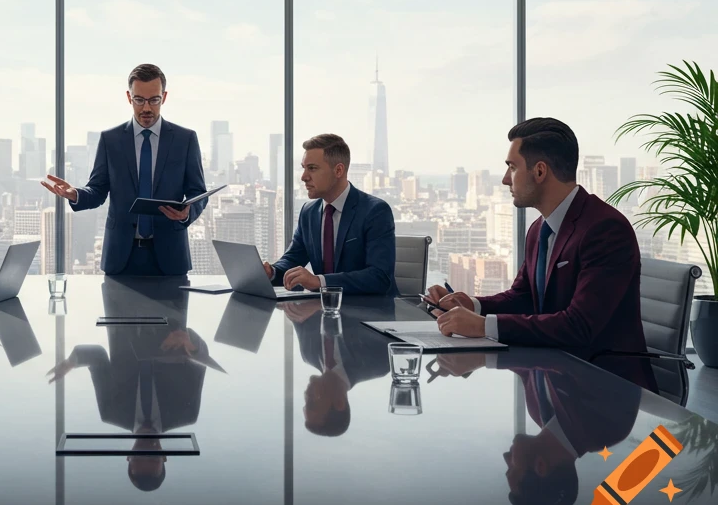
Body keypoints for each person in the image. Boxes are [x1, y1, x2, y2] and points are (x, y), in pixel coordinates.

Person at [428, 118, 655, 391]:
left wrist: (483, 327)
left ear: (539, 171)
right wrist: (473, 305)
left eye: (512, 167)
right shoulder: (539, 229)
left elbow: (578, 326)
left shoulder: (604, 229)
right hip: (553, 378)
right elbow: (523, 298)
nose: (504, 179)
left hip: (606, 393)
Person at [47, 279, 217, 490]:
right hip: (169, 299)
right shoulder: (185, 414)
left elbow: (98, 356)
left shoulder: (111, 412)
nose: (148, 450)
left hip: (122, 297)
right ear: (164, 458)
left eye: (140, 457)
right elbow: (201, 361)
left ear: (128, 456)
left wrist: (71, 361)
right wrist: (190, 341)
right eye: (153, 459)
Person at [42, 64, 207, 276]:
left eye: (153, 100)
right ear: (129, 98)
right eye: (139, 100)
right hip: (120, 257)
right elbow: (98, 190)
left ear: (163, 97)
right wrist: (75, 194)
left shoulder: (185, 140)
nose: (146, 108)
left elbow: (198, 193)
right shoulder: (111, 140)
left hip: (170, 257)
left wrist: (187, 213)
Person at [428, 352, 641, 505]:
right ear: (540, 466)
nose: (506, 457)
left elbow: (522, 364)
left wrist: (465, 362)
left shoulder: (538, 413)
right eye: (512, 467)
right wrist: (482, 357)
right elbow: (563, 354)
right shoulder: (608, 427)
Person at [266, 134, 396, 295]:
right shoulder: (309, 212)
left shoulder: (375, 211)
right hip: (325, 310)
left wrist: (319, 281)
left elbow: (379, 277)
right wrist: (272, 272)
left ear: (338, 170)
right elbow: (292, 259)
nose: (303, 177)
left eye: (312, 168)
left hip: (372, 313)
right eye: (304, 168)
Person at [282, 299, 391, 437]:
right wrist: (324, 304)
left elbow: (295, 311)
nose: (306, 395)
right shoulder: (378, 363)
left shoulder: (308, 353)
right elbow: (383, 311)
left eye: (306, 402)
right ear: (339, 403)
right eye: (312, 403)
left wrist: (288, 306)